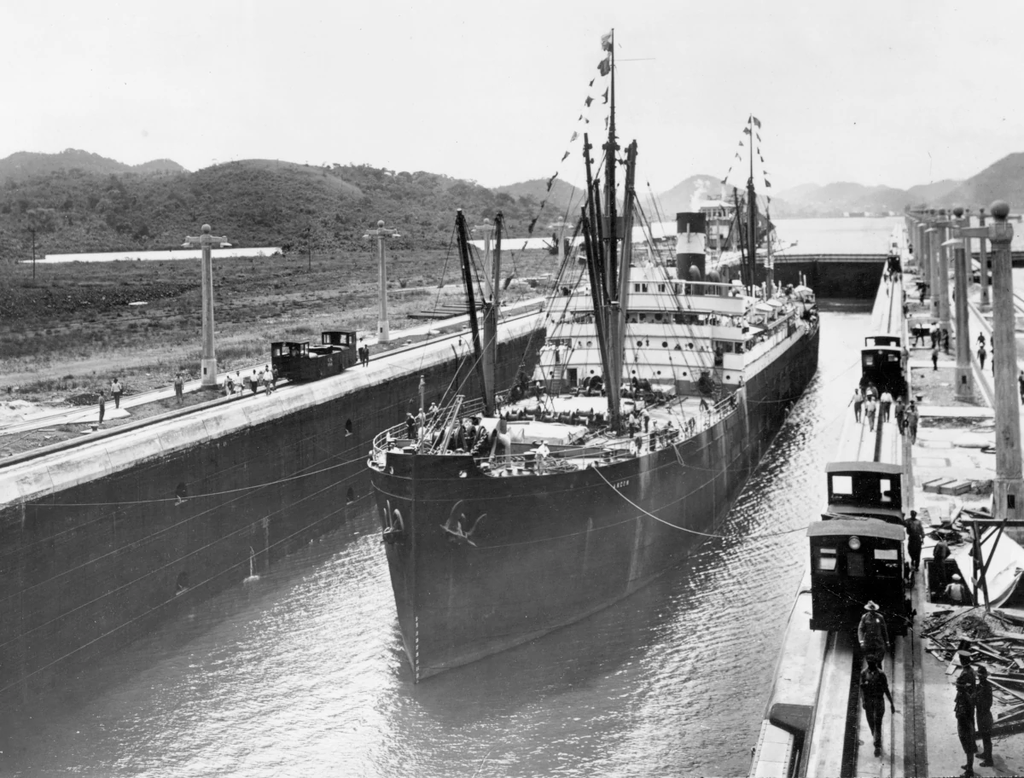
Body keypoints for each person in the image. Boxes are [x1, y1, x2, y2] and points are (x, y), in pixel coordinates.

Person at [860, 656, 895, 758]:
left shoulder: (881, 674)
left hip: (878, 700)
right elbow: (862, 688)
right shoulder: (863, 673)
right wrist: (863, 701)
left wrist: (891, 703)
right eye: (870, 663)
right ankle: (876, 739)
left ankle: (877, 745)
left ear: (875, 663)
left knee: (877, 723)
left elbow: (886, 689)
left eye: (873, 663)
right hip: (868, 702)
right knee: (871, 723)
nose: (871, 665)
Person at [955, 652, 977, 776]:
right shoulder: (971, 671)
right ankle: (969, 765)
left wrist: (960, 685)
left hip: (964, 713)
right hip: (967, 711)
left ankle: (970, 770)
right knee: (968, 738)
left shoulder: (966, 674)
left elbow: (962, 686)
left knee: (966, 739)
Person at [858, 601, 889, 666]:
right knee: (869, 658)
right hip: (868, 640)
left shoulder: (880, 617)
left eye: (873, 609)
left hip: (878, 640)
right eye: (870, 609)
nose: (872, 610)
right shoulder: (865, 617)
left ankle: (879, 669)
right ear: (868, 609)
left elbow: (884, 630)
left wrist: (887, 641)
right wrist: (861, 641)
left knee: (879, 657)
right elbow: (860, 629)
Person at [975, 665, 994, 767]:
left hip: (985, 715)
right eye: (979, 675)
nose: (979, 677)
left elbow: (989, 703)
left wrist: (979, 703)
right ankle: (986, 754)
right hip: (980, 714)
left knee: (986, 738)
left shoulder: (987, 687)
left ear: (985, 676)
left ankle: (989, 760)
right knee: (983, 735)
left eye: (981, 675)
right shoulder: (980, 686)